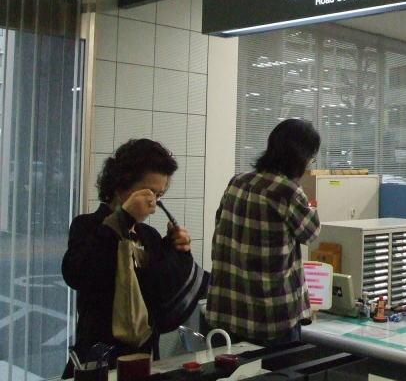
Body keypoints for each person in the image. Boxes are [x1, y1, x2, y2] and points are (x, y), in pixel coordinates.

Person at [61, 139, 192, 378]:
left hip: (143, 357)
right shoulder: (87, 226)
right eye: (148, 192)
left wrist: (177, 249)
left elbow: (163, 292)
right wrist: (121, 219)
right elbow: (76, 273)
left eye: (159, 194)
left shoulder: (149, 236)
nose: (153, 202)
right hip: (99, 357)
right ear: (121, 185)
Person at [206, 119, 321, 346]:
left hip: (227, 309)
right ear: (300, 157)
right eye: (310, 158)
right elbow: (311, 233)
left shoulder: (237, 182)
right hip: (270, 317)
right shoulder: (288, 191)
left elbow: (220, 224)